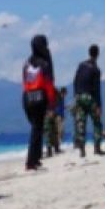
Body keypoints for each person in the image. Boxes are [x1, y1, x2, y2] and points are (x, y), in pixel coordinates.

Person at [21, 35, 55, 170]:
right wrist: (52, 100)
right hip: (40, 97)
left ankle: (36, 158)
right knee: (37, 129)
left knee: (36, 128)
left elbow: (24, 82)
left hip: (27, 97)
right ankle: (31, 161)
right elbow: (48, 83)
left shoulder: (26, 63)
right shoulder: (45, 64)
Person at [72, 44, 105, 157]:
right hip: (90, 98)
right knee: (97, 123)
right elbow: (97, 89)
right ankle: (97, 148)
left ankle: (82, 149)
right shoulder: (96, 70)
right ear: (98, 54)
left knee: (81, 123)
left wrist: (76, 96)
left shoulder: (81, 65)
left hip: (79, 96)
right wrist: (99, 106)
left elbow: (75, 81)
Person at [46, 87, 66, 157]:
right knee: (55, 132)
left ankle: (54, 149)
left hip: (54, 114)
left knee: (54, 132)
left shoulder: (59, 97)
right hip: (55, 115)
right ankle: (54, 149)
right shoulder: (57, 95)